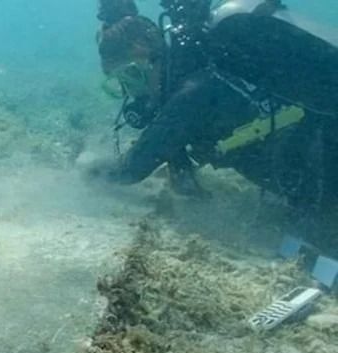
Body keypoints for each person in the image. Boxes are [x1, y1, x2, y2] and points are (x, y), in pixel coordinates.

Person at [92, 0, 338, 216]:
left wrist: (86, 174)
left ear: (148, 53)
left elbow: (131, 169)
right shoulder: (209, 72)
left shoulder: (194, 93)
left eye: (132, 77)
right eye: (122, 84)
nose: (134, 93)